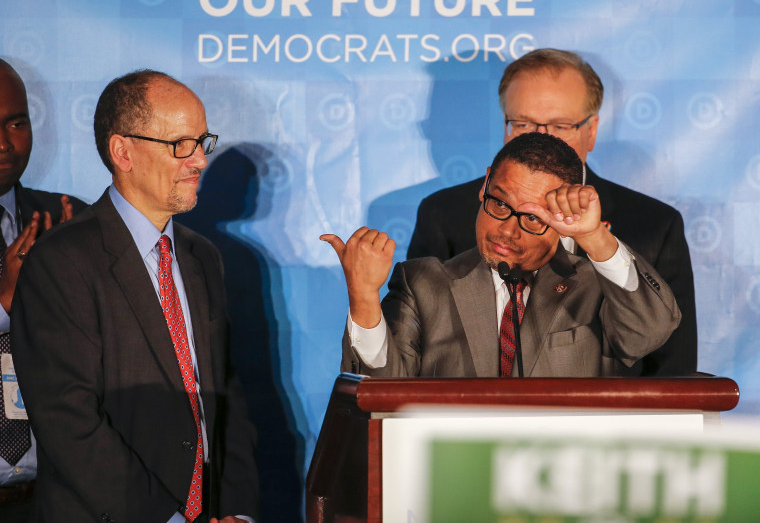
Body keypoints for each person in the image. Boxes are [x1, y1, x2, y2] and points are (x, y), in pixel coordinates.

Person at [11, 70, 259, 522]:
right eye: (180, 144)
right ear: (123, 151)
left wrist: (239, 511)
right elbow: (70, 422)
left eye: (202, 141)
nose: (200, 160)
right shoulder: (61, 261)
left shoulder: (203, 257)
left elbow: (224, 396)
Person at [407, 48, 697, 377]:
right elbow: (415, 355)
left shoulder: (654, 226)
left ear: (592, 130)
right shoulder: (445, 214)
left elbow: (674, 370)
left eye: (559, 126)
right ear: (504, 125)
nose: (540, 140)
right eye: (522, 124)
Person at [322, 132, 680, 377]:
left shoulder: (596, 286)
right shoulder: (424, 284)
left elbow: (649, 332)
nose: (507, 231)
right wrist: (364, 298)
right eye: (499, 204)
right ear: (485, 185)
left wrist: (593, 236)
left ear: (563, 219)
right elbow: (379, 391)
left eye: (532, 218)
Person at [0, 58, 86, 522]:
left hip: (58, 501)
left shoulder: (71, 220)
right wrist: (4, 303)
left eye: (16, 123)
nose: (3, 144)